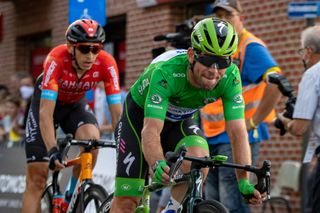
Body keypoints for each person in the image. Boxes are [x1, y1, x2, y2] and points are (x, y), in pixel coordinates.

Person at [110, 17, 266, 213]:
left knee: (198, 162)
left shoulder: (230, 77)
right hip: (139, 119)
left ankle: (171, 210)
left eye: (223, 61)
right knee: (127, 201)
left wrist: (243, 181)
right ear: (192, 55)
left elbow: (237, 132)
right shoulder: (166, 73)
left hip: (179, 121)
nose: (214, 70)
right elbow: (150, 129)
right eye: (208, 60)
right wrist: (157, 162)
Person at [22, 19, 122, 213]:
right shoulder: (56, 59)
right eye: (85, 49)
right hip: (46, 107)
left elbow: (117, 113)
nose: (91, 55)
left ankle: (70, 195)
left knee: (92, 140)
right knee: (37, 178)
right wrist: (51, 150)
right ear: (70, 47)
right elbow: (45, 113)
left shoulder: (107, 63)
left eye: (96, 49)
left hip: (74, 106)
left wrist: (125, 146)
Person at [200, 1, 282, 212]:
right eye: (218, 17)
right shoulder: (217, 48)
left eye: (229, 16)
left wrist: (253, 122)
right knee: (212, 202)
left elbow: (276, 83)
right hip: (211, 134)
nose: (223, 22)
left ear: (241, 19)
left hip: (236, 136)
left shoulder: (249, 46)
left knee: (232, 201)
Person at [278, 25, 320, 213]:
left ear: (309, 51)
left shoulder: (312, 74)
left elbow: (300, 128)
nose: (302, 57)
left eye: (302, 51)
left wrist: (283, 119)